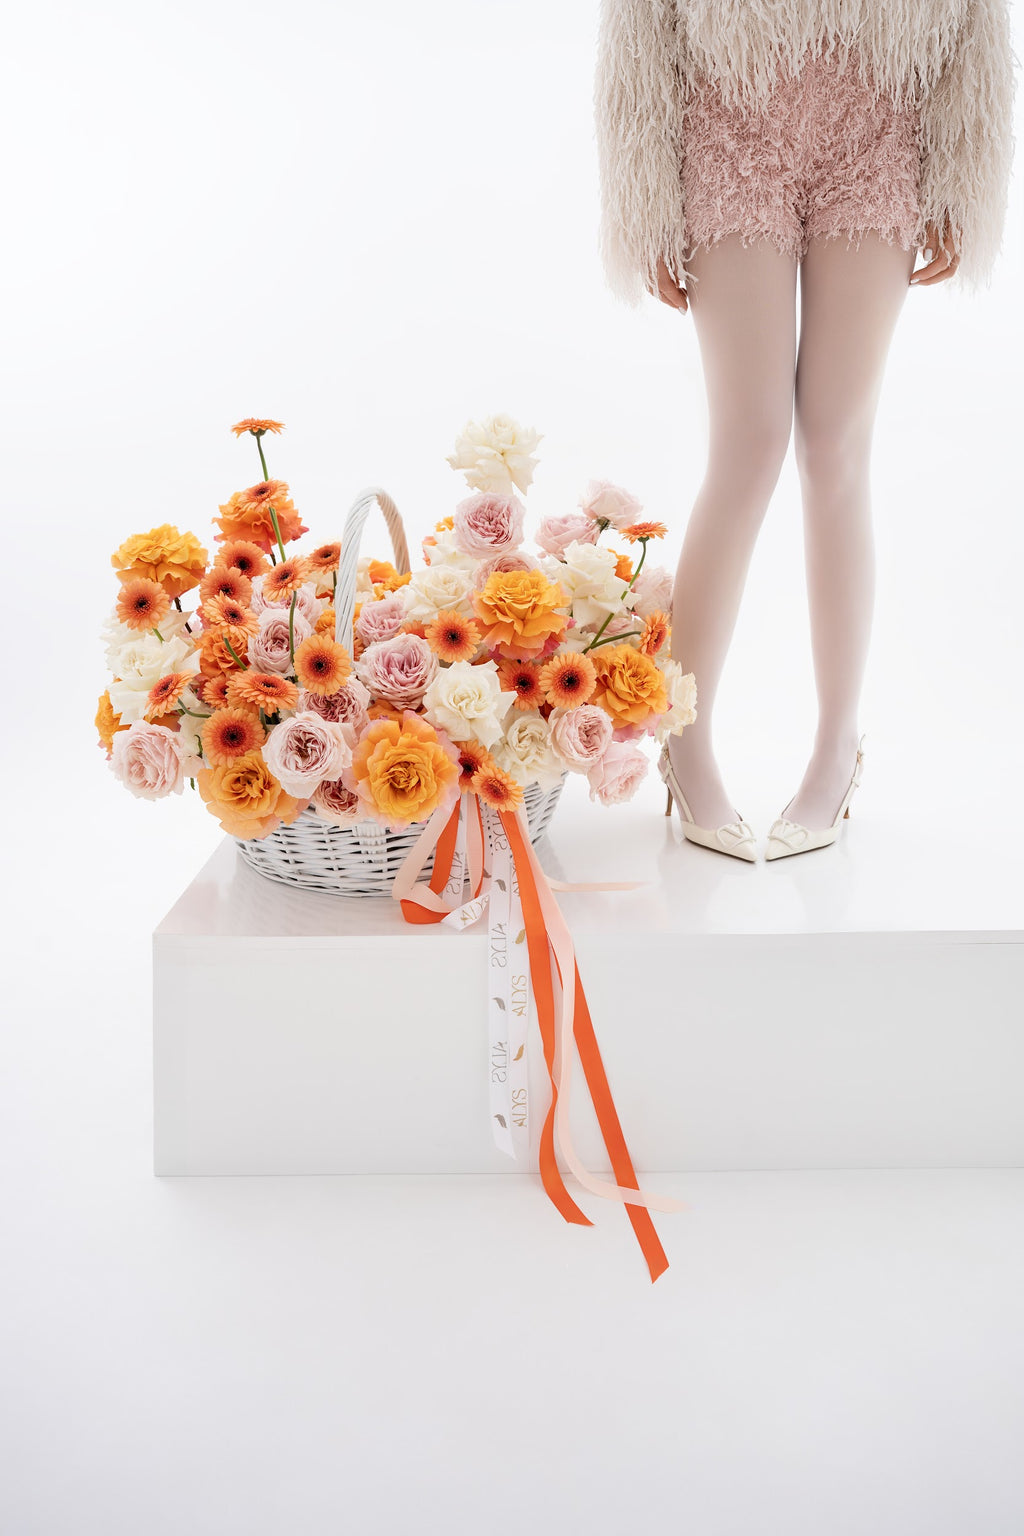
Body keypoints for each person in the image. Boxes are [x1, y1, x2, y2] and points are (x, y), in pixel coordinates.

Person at [594, 0, 1016, 860]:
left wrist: (965, 170)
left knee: (836, 445)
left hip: (881, 124)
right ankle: (688, 743)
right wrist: (643, 194)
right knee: (748, 444)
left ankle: (834, 754)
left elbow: (978, 21)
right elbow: (641, 21)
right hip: (730, 122)